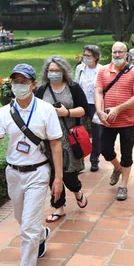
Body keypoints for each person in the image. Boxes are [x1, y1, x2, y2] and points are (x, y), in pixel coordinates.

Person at [0, 63, 63, 266]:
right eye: (15, 82)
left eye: (24, 82)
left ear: (34, 85)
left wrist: (58, 179)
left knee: (28, 228)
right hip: (14, 173)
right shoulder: (5, 112)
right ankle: (42, 235)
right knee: (21, 219)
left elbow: (55, 144)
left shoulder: (46, 110)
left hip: (38, 172)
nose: (19, 86)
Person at [35, 56, 90, 223]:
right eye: (51, 70)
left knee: (68, 174)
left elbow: (84, 110)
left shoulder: (73, 87)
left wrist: (66, 112)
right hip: (47, 140)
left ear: (64, 71)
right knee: (52, 173)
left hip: (68, 139)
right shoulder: (42, 90)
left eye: (57, 70)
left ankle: (77, 191)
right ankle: (58, 206)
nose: (54, 73)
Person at [94, 42, 134, 201]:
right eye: (114, 52)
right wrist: (99, 110)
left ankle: (123, 186)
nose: (117, 55)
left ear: (126, 54)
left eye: (120, 52)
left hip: (127, 121)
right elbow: (98, 91)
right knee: (105, 150)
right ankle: (117, 168)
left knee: (126, 154)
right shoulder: (103, 70)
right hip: (108, 121)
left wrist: (118, 108)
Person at [74, 45, 103, 172]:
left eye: (88, 56)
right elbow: (75, 84)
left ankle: (94, 160)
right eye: (84, 55)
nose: (85, 58)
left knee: (97, 133)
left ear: (96, 57)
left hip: (95, 104)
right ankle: (79, 160)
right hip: (81, 105)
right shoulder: (80, 68)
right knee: (77, 132)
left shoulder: (102, 70)